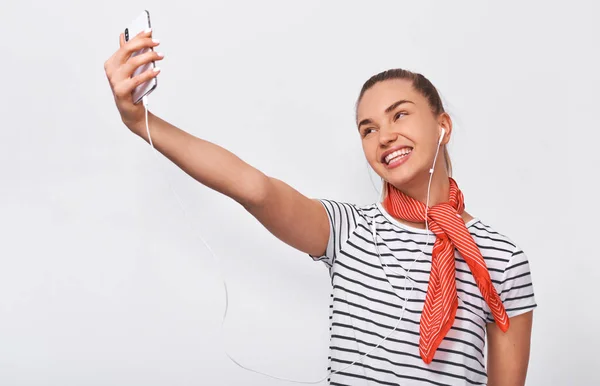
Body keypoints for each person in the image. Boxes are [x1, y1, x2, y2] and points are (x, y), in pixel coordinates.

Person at [104, 29, 537, 386]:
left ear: (442, 125)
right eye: (368, 129)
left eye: (399, 115)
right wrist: (138, 120)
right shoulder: (347, 230)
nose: (384, 136)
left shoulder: (503, 259)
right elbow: (255, 188)